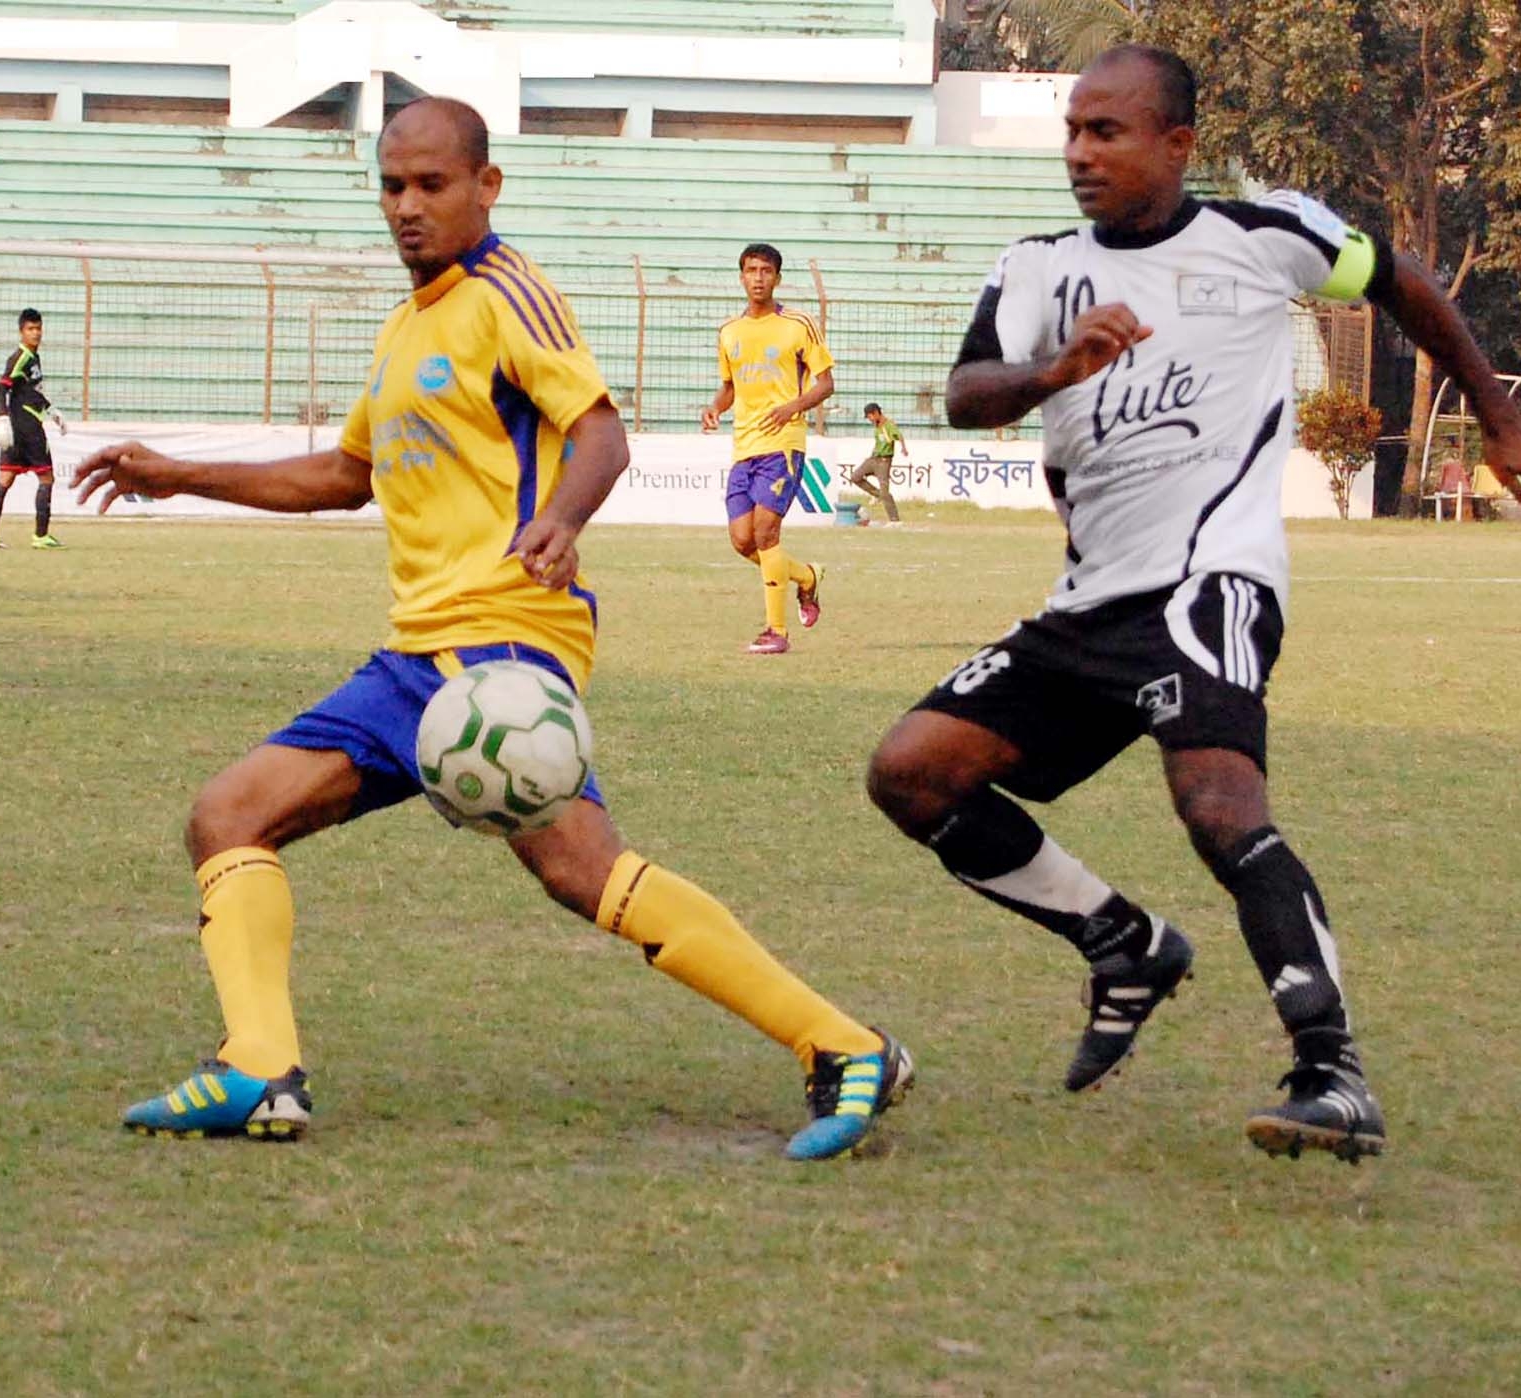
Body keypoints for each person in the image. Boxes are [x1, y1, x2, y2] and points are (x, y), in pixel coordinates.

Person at [73, 98, 910, 1161]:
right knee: (230, 817)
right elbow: (344, 477)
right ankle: (259, 1069)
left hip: (507, 638)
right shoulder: (404, 327)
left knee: (581, 867)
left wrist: (561, 518)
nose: (409, 206)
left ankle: (840, 1044)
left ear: (486, 186)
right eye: (392, 186)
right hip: (417, 651)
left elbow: (600, 433)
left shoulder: (510, 295)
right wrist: (178, 472)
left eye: (432, 184)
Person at [863, 45, 1521, 1164]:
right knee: (911, 772)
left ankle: (1332, 1071)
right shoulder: (1040, 266)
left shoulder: (1262, 238)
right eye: (1074, 132)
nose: (1082, 153)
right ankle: (1123, 942)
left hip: (1212, 579)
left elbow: (1403, 281)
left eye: (1109, 132)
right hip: (1088, 605)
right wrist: (1055, 374)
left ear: (1177, 143)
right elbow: (964, 393)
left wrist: (1498, 411)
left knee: (1221, 807)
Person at [701, 243, 833, 655]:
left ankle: (776, 631)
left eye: (766, 271)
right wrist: (714, 408)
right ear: (741, 277)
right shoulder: (729, 332)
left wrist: (793, 407)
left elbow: (825, 383)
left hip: (783, 445)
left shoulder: (798, 324)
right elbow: (729, 388)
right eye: (751, 270)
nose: (758, 278)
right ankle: (807, 577)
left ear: (777, 278)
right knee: (742, 541)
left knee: (765, 533)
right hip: (745, 447)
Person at [0, 308, 67, 549]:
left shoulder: (33, 357)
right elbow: (1, 389)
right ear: (21, 332)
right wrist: (2, 420)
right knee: (47, 477)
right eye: (30, 329)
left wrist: (51, 410)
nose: (36, 333)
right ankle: (40, 536)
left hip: (22, 424)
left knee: (6, 478)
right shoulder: (20, 357)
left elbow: (29, 392)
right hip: (27, 427)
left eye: (38, 328)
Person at [848, 402, 907, 525]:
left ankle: (894, 520)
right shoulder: (877, 425)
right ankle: (877, 495)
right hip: (873, 459)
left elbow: (899, 435)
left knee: (885, 491)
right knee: (855, 477)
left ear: (876, 413)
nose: (869, 419)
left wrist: (903, 448)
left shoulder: (889, 425)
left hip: (883, 462)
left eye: (870, 416)